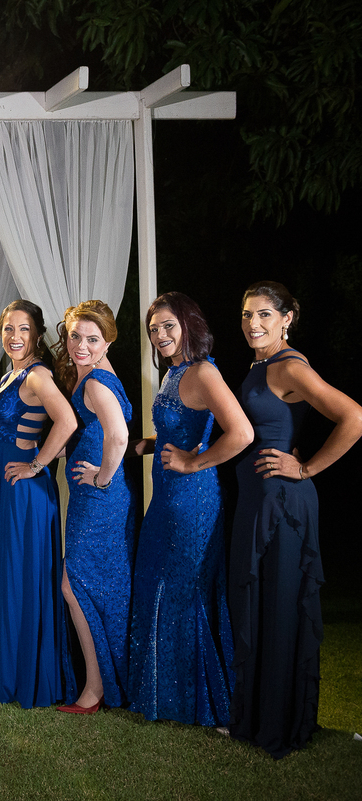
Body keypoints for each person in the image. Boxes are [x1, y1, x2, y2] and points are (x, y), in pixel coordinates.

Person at [229, 281, 362, 757]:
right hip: (259, 497)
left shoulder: (289, 366)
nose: (253, 323)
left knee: (280, 608)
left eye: (264, 314)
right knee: (261, 605)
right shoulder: (261, 364)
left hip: (282, 502)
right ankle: (259, 717)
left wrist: (305, 468)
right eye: (247, 314)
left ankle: (280, 725)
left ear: (287, 319)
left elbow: (354, 417)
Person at [128, 292, 252, 726]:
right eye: (154, 329)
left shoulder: (202, 371)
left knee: (183, 591)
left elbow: (241, 433)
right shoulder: (174, 371)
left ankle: (195, 701)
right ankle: (164, 693)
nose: (160, 335)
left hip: (191, 500)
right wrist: (143, 446)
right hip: (167, 498)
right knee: (157, 584)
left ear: (188, 325)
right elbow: (177, 429)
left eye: (168, 325)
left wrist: (192, 462)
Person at [0, 299, 77, 708]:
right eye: (8, 328)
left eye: (23, 329)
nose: (14, 336)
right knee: (9, 576)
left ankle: (23, 678)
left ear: (36, 334)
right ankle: (6, 670)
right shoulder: (11, 375)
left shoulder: (36, 375)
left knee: (21, 578)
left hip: (23, 493)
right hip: (7, 488)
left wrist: (36, 464)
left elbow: (67, 421)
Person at [51, 300, 135, 714]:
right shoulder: (100, 372)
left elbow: (118, 436)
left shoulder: (96, 382)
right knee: (98, 585)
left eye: (92, 339)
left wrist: (102, 477)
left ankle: (96, 688)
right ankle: (108, 680)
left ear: (107, 342)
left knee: (75, 585)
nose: (80, 346)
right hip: (102, 499)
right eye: (75, 337)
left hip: (99, 500)